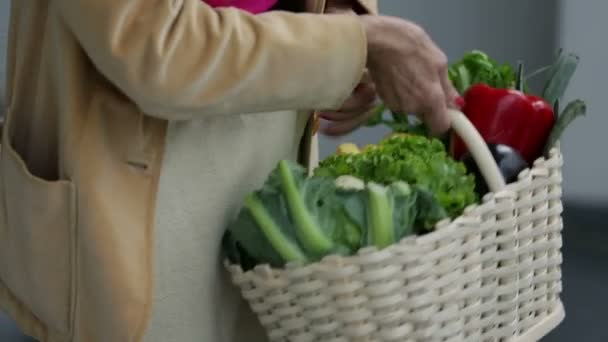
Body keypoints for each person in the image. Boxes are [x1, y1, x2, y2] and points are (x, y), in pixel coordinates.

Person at [0, 0, 458, 341]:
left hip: (271, 154)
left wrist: (339, 14)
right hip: (136, 196)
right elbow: (157, 49)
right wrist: (355, 43)